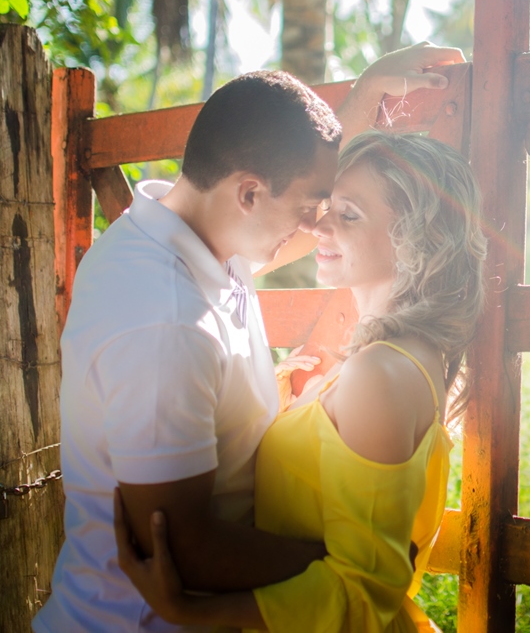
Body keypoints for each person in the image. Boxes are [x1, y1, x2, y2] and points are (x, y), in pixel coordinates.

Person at [33, 43, 464, 633]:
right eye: (313, 205)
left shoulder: (203, 241)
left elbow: (312, 227)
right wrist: (357, 569)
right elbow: (183, 551)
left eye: (334, 207)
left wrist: (364, 99)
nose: (317, 224)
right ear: (249, 193)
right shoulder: (165, 318)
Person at [114, 131, 487, 632]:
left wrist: (191, 610)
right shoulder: (384, 359)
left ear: (418, 240)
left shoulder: (380, 374)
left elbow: (365, 591)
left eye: (348, 215)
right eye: (327, 206)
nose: (319, 225)